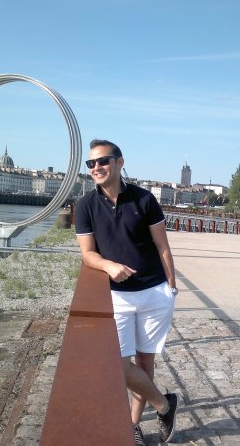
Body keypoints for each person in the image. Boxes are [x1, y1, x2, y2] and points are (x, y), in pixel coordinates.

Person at [74, 139, 179, 445]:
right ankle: (164, 405)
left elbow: (162, 246)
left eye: (103, 161)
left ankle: (132, 425)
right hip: (117, 296)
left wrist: (171, 286)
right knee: (117, 364)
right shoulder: (86, 205)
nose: (96, 167)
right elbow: (87, 253)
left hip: (154, 292)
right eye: (91, 163)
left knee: (145, 364)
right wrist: (108, 265)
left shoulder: (144, 199)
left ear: (119, 163)